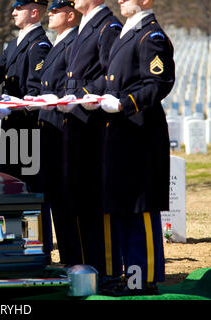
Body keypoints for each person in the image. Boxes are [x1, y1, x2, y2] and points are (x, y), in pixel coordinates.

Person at [94, 0, 175, 296]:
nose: (120, 1)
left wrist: (125, 103)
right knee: (124, 205)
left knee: (140, 207)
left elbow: (159, 82)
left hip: (140, 131)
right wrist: (100, 99)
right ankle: (130, 273)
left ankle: (144, 277)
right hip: (121, 131)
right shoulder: (128, 33)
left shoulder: (150, 36)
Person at [59, 0, 123, 287]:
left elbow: (111, 74)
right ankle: (85, 266)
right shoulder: (87, 25)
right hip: (77, 122)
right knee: (80, 199)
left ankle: (104, 270)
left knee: (94, 201)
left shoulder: (107, 26)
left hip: (92, 125)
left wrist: (83, 96)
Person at [0, 0, 51, 257]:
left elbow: (36, 92)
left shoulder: (39, 45)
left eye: (19, 8)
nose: (13, 12)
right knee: (12, 187)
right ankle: (15, 244)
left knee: (31, 191)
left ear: (34, 12)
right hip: (12, 129)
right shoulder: (15, 44)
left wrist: (13, 107)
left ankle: (38, 248)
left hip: (28, 130)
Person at [35, 0, 82, 265]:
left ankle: (73, 258)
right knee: (55, 196)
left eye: (56, 11)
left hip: (62, 130)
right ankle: (66, 257)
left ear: (70, 14)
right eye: (50, 10)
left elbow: (72, 82)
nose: (50, 14)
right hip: (49, 129)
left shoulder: (73, 42)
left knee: (65, 200)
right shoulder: (58, 42)